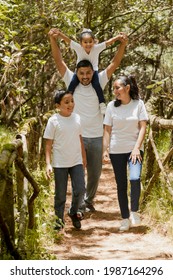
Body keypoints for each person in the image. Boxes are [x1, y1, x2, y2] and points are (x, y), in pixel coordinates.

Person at [48, 28, 128, 214]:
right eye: (82, 73)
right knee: (77, 173)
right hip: (76, 136)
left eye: (88, 73)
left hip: (96, 135)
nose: (85, 76)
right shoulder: (70, 78)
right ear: (77, 72)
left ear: (93, 72)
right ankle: (78, 205)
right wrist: (53, 39)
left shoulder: (99, 80)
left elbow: (115, 63)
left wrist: (122, 44)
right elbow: (58, 61)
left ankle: (88, 200)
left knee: (94, 172)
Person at [102, 75, 148, 231]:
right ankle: (125, 218)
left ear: (127, 88)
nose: (115, 91)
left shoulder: (138, 104)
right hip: (116, 150)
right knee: (121, 185)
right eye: (114, 88)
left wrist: (136, 148)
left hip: (134, 149)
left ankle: (134, 211)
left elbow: (143, 127)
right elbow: (107, 129)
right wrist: (105, 150)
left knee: (135, 178)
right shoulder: (111, 106)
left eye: (118, 88)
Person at [43, 90, 86, 230]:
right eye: (66, 102)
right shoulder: (53, 120)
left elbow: (80, 140)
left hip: (76, 161)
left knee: (80, 189)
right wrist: (48, 164)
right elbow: (48, 144)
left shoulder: (77, 118)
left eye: (72, 101)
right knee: (60, 194)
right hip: (60, 162)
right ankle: (58, 221)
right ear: (58, 105)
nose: (70, 104)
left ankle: (73, 212)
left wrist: (84, 158)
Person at [55, 28, 124, 114]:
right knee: (72, 85)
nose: (88, 44)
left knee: (96, 85)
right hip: (79, 72)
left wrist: (118, 37)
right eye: (85, 42)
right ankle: (68, 101)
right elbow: (68, 41)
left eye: (90, 42)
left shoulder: (97, 48)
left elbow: (108, 42)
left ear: (94, 42)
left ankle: (102, 103)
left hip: (93, 72)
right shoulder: (78, 48)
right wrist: (59, 34)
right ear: (81, 43)